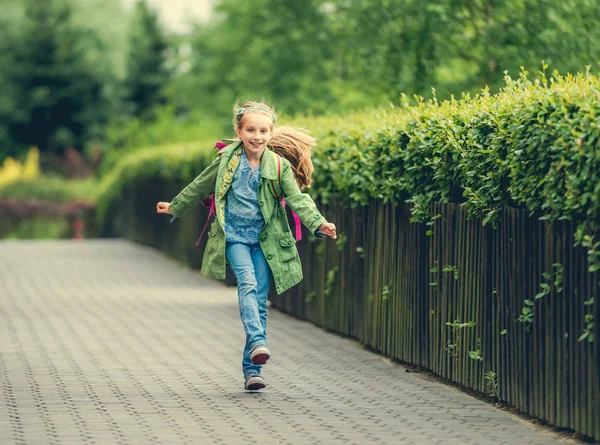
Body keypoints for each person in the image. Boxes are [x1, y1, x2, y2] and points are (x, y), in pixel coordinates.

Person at [156, 101, 337, 391]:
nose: (257, 136)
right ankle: (258, 341)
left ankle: (253, 371)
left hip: (265, 242)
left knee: (260, 302)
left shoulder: (278, 167)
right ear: (239, 132)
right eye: (250, 130)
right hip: (234, 238)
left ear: (271, 133)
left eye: (263, 130)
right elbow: (200, 185)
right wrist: (175, 206)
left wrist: (319, 224)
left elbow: (298, 200)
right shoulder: (227, 160)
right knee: (248, 285)